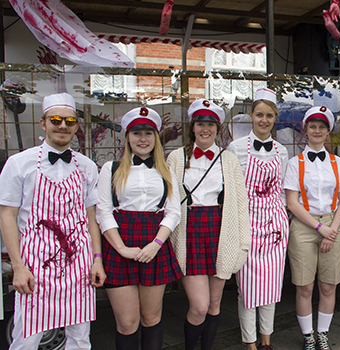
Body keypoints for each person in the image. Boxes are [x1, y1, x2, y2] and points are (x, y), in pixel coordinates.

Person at [0, 93, 106, 349]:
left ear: (76, 126)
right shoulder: (18, 164)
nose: (63, 126)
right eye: (56, 120)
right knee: (26, 339)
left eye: (69, 121)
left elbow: (92, 218)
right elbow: (7, 215)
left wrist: (97, 260)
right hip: (34, 267)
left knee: (80, 339)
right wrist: (18, 266)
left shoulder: (87, 166)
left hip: (78, 267)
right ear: (43, 123)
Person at [96, 107, 183, 350]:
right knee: (127, 323)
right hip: (119, 243)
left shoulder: (166, 172)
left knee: (151, 319)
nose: (142, 139)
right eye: (136, 133)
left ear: (156, 138)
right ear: (127, 138)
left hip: (154, 244)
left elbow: (173, 211)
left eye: (148, 133)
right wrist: (122, 248)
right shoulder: (110, 169)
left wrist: (156, 244)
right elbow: (103, 211)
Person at [167, 100, 251, 350]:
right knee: (200, 306)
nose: (206, 129)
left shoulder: (229, 159)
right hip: (189, 230)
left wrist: (243, 242)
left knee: (214, 304)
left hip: (219, 230)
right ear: (193, 127)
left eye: (211, 124)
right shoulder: (176, 157)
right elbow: (169, 198)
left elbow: (240, 203)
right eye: (201, 124)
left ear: (218, 128)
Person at [284, 106, 340, 350]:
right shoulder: (295, 163)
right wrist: (319, 228)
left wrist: (331, 229)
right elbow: (292, 202)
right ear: (305, 130)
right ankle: (308, 336)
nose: (317, 130)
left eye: (322, 127)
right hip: (305, 225)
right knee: (305, 286)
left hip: (333, 222)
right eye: (313, 126)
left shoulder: (338, 163)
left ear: (328, 132)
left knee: (328, 284)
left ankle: (322, 333)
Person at [227, 88, 289, 350]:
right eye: (259, 115)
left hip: (275, 226)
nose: (264, 120)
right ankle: (250, 342)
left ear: (275, 118)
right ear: (251, 116)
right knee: (248, 289)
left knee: (272, 289)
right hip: (247, 225)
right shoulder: (235, 148)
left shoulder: (282, 151)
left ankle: (267, 340)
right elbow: (231, 191)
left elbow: (283, 193)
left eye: (269, 116)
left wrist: (282, 222)